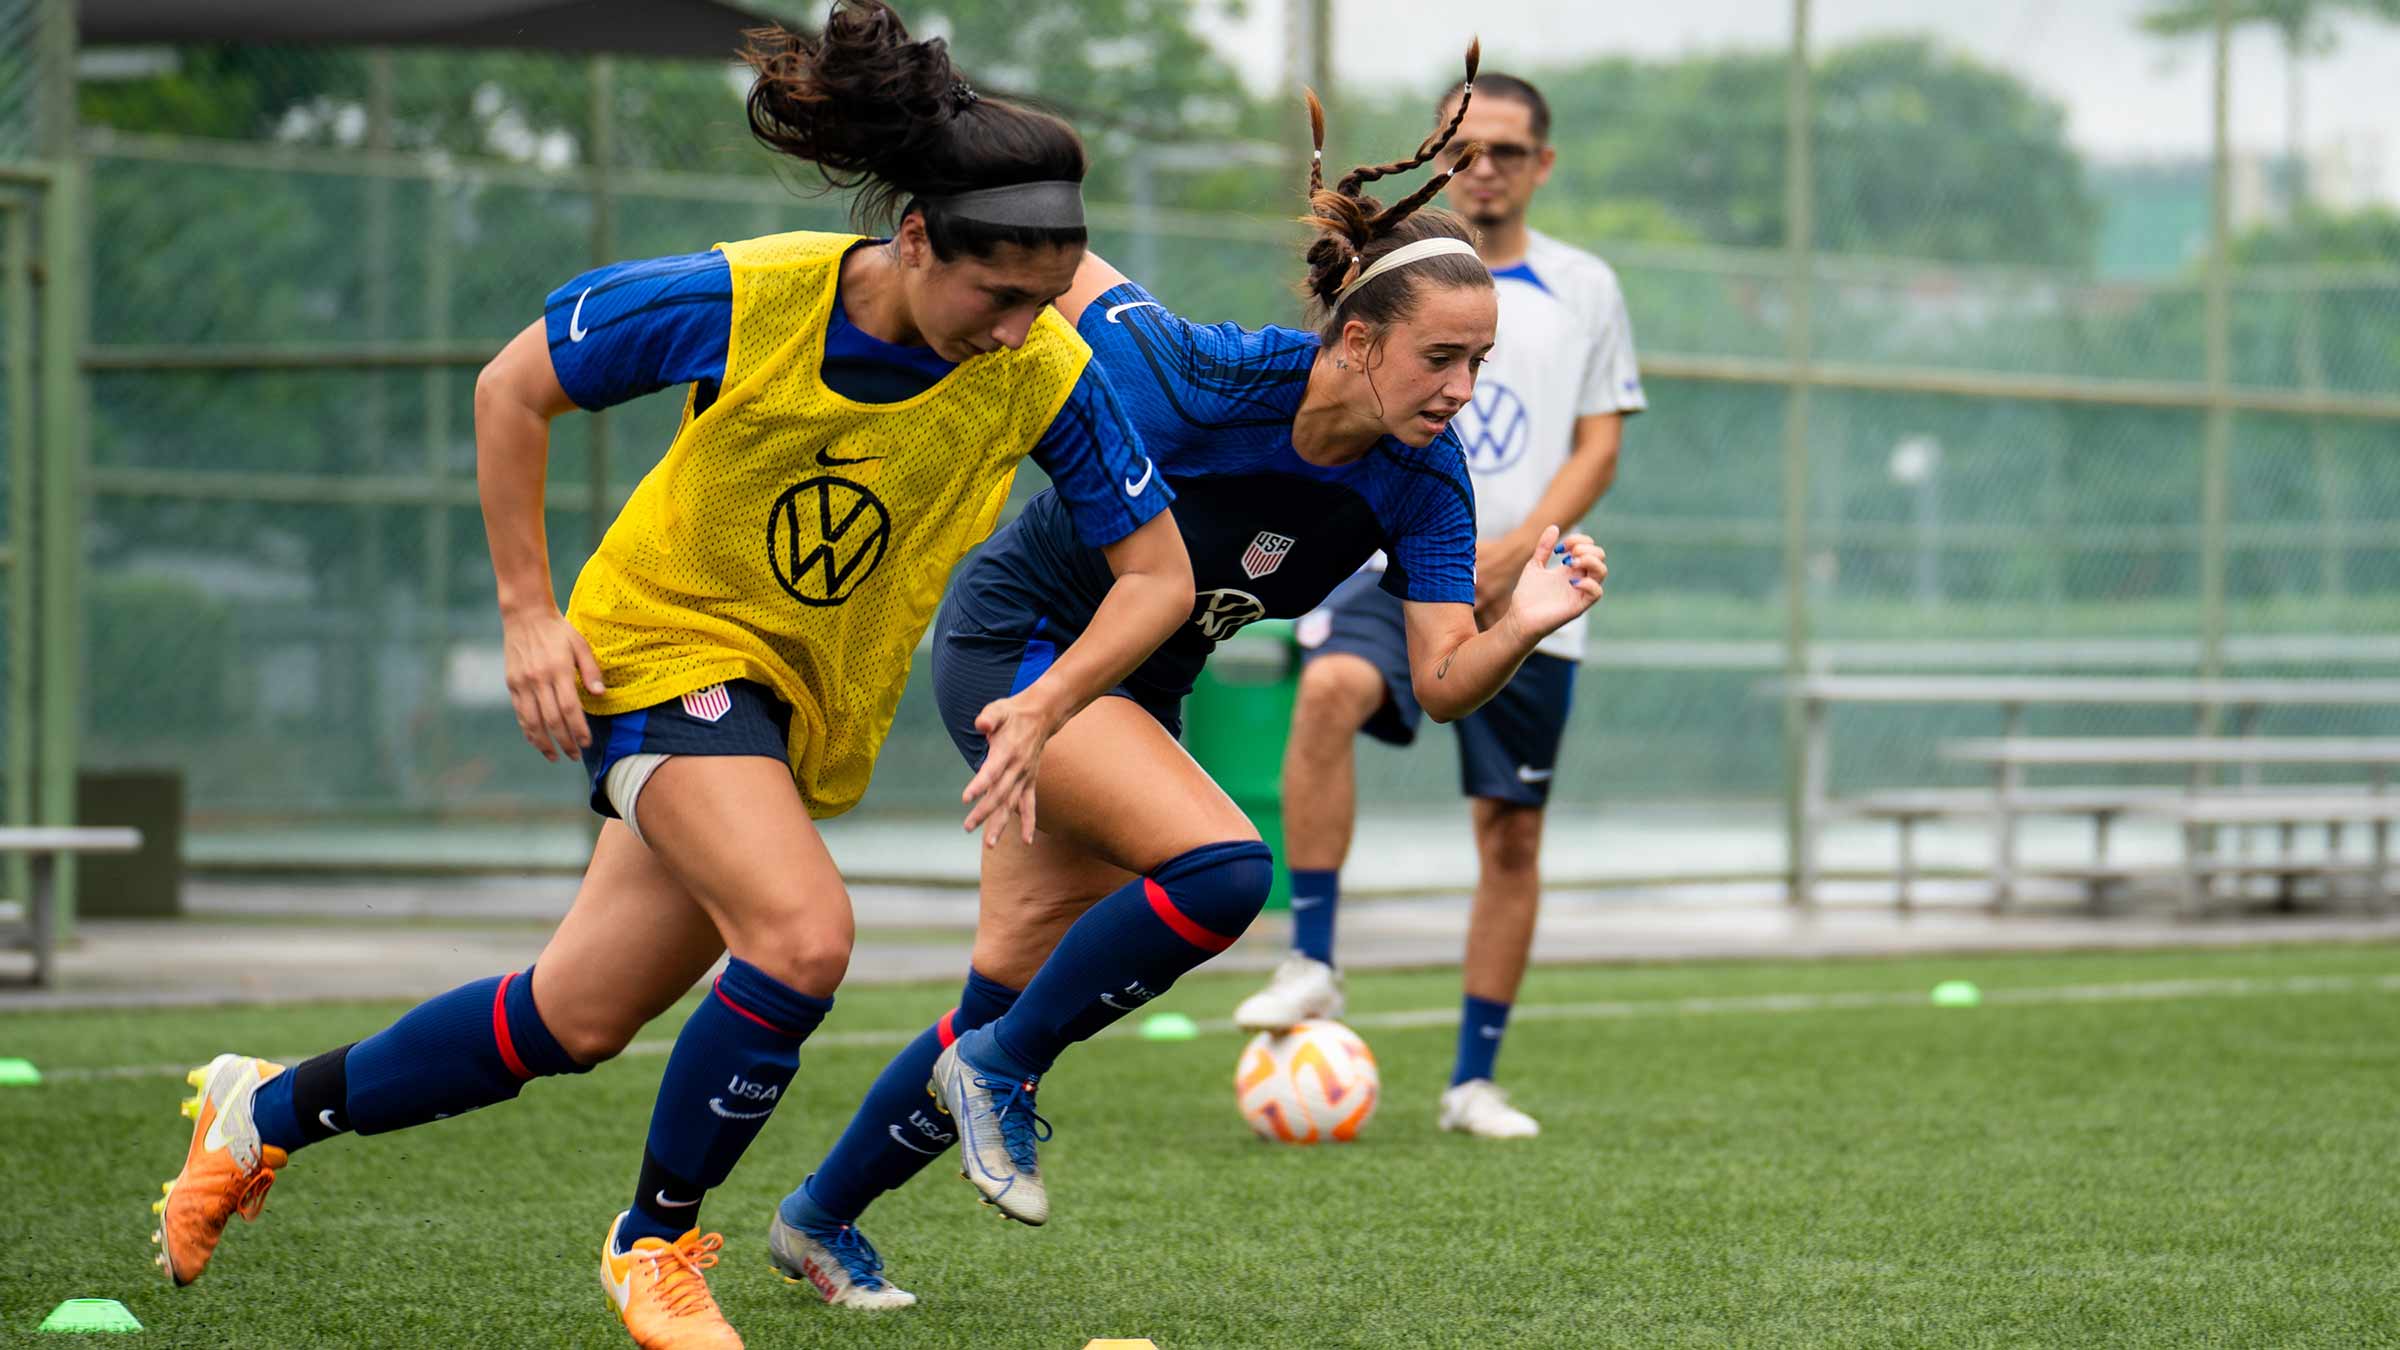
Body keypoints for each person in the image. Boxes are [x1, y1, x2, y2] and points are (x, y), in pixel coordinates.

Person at [144, 6, 1193, 1347]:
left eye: (1045, 300)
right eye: (997, 294)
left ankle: (261, 1107)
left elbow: (1156, 575)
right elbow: (511, 387)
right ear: (916, 237)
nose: (1019, 327)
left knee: (570, 1015)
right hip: (657, 652)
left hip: (796, 715)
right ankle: (656, 1242)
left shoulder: (1046, 368)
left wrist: (1050, 699)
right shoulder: (746, 295)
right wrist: (529, 613)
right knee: (805, 932)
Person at [763, 45, 1609, 1310]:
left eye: (1481, 363)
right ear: (1357, 338)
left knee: (1003, 989)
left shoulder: (1424, 475)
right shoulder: (1195, 367)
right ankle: (998, 1078)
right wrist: (928, 114)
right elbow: (1061, 253)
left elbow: (1439, 684)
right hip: (1019, 648)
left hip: (1138, 691)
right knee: (1220, 871)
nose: (1464, 389)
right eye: (1443, 357)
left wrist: (1527, 618)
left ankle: (819, 1217)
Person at [1234, 70, 1645, 1141]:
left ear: (1541, 166)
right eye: (1469, 147)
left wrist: (1518, 556)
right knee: (1328, 688)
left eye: (1511, 150)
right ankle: (1313, 957)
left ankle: (1473, 1083)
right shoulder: (1390, 278)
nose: (1488, 165)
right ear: (1442, 152)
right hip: (1387, 558)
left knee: (1509, 835)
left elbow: (1600, 439)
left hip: (1533, 585)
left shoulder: (1586, 287)